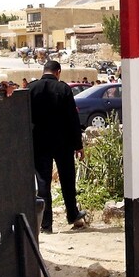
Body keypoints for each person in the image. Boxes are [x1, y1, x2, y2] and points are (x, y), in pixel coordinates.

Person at [28, 60, 86, 233]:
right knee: (67, 179)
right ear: (58, 72)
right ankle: (72, 214)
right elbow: (72, 118)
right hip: (63, 143)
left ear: (44, 70)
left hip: (39, 143)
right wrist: (78, 145)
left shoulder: (31, 89)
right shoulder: (64, 89)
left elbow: (23, 117)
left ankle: (46, 224)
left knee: (43, 182)